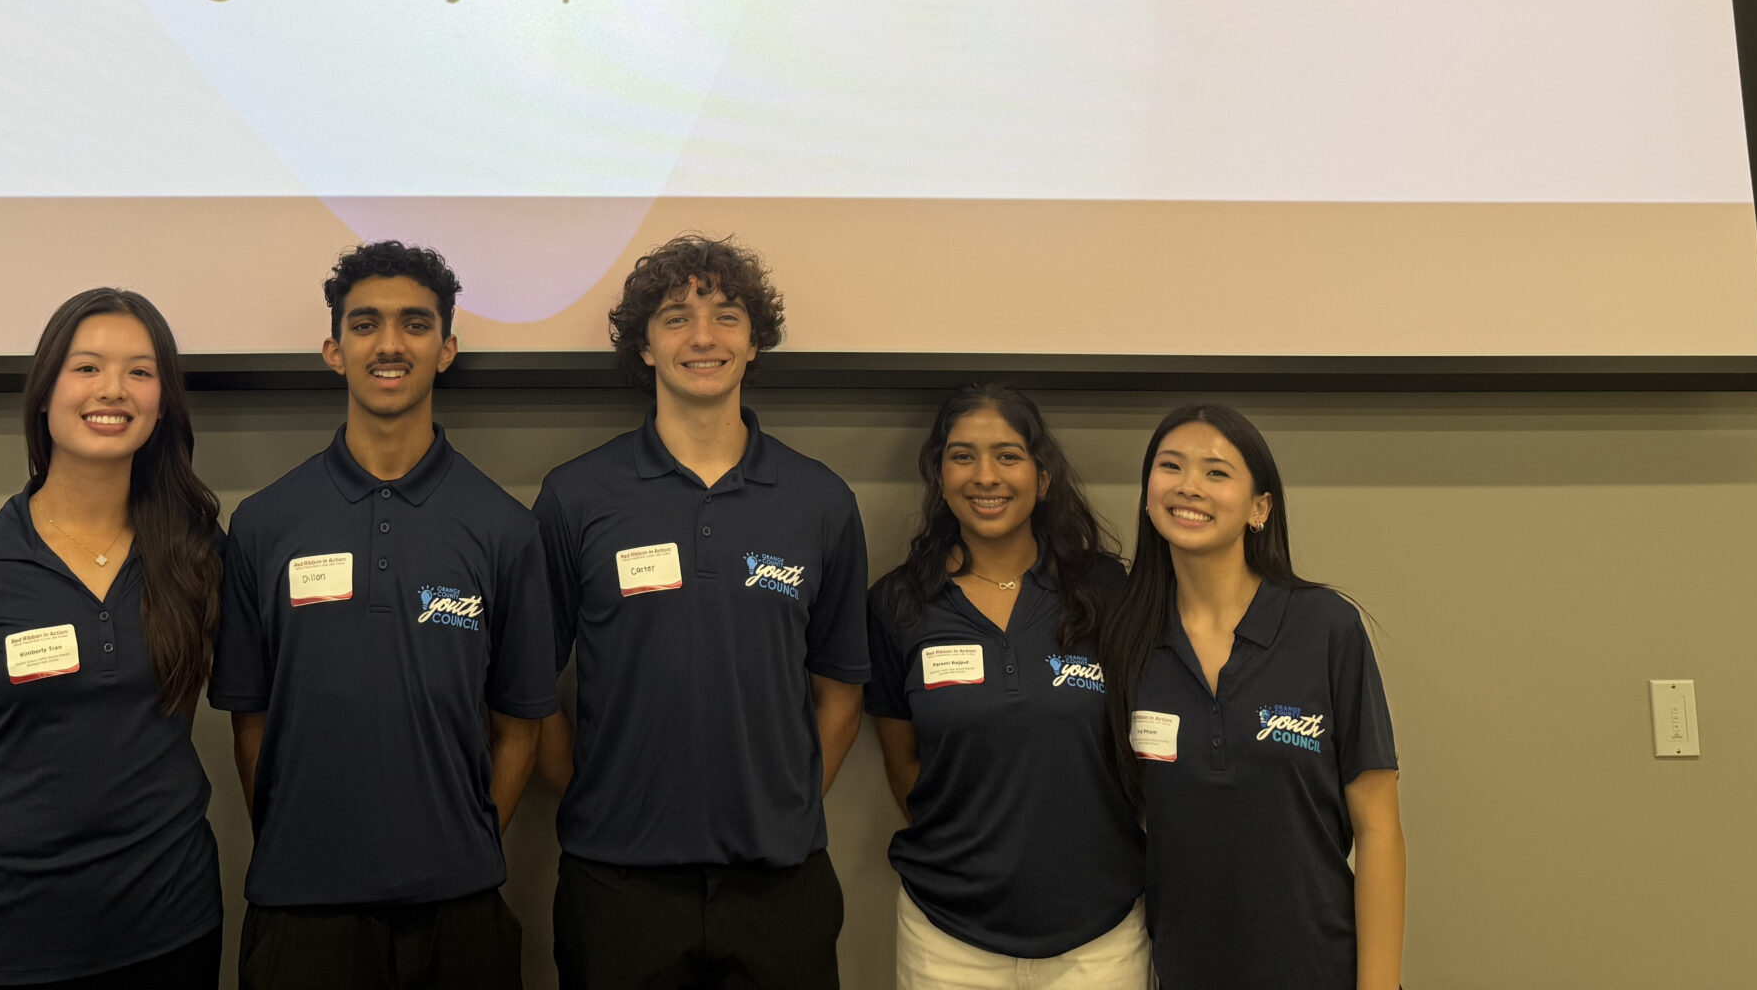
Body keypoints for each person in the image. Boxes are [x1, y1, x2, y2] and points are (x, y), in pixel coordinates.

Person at [208, 240, 556, 990]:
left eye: (415, 324)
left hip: (461, 911)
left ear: (446, 349)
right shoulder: (264, 524)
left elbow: (519, 727)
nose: (390, 344)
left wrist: (464, 845)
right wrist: (297, 843)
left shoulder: (504, 528)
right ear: (334, 351)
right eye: (365, 324)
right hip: (299, 910)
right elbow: (250, 720)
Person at [532, 235, 870, 990]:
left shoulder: (820, 501)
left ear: (754, 343)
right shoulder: (576, 496)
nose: (703, 337)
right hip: (615, 884)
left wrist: (784, 804)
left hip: (779, 884)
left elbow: (841, 689)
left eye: (727, 316)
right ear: (644, 346)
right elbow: (531, 685)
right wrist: (592, 796)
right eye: (676, 317)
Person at [0, 288, 227, 990]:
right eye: (87, 367)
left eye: (140, 371)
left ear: (162, 403)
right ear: (44, 391)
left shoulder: (197, 555)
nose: (113, 389)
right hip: (2, 948)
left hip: (172, 931)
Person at [1098, 405, 1405, 990]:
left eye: (1216, 472)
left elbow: (1379, 829)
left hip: (1320, 967)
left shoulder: (1325, 627)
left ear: (1260, 508)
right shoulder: (1125, 639)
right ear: (1148, 494)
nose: (1189, 486)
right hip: (1184, 968)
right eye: (1171, 466)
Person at [867, 385, 1148, 990]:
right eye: (962, 456)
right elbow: (903, 762)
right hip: (947, 937)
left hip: (1099, 935)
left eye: (1008, 455)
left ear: (1042, 478)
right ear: (939, 474)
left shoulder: (1106, 590)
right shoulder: (897, 604)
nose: (985, 476)